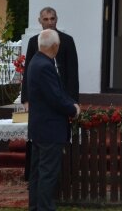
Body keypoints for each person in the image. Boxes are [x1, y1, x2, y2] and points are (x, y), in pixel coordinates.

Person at [21, 7, 79, 179]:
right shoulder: (34, 42)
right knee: (40, 145)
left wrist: (73, 101)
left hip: (63, 97)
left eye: (52, 18)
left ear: (57, 20)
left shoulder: (66, 41)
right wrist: (26, 98)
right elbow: (28, 73)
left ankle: (62, 175)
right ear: (40, 21)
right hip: (41, 100)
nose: (49, 22)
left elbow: (72, 73)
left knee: (60, 138)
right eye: (45, 19)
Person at [26, 29, 81, 211]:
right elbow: (55, 97)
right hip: (49, 128)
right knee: (47, 173)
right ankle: (44, 207)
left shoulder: (36, 61)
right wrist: (72, 108)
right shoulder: (45, 66)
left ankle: (35, 206)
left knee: (37, 173)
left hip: (39, 127)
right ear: (55, 46)